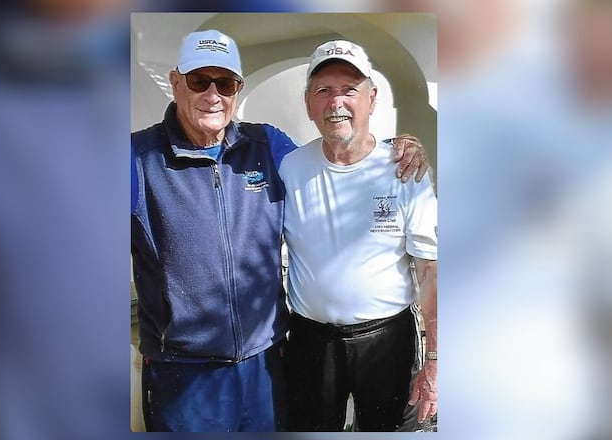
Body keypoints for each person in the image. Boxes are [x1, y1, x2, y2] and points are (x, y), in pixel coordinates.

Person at [130, 30, 429, 432]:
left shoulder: (267, 146)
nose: (213, 95)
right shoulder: (137, 158)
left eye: (225, 83)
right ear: (175, 82)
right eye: (199, 81)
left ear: (238, 89)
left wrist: (397, 148)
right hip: (183, 371)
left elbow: (336, 158)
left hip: (265, 364)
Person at [280, 39, 438, 431]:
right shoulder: (289, 167)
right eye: (323, 90)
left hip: (387, 341)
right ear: (308, 104)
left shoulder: (405, 170)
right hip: (310, 344)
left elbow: (431, 271)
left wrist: (436, 360)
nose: (336, 102)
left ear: (372, 98)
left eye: (350, 90)